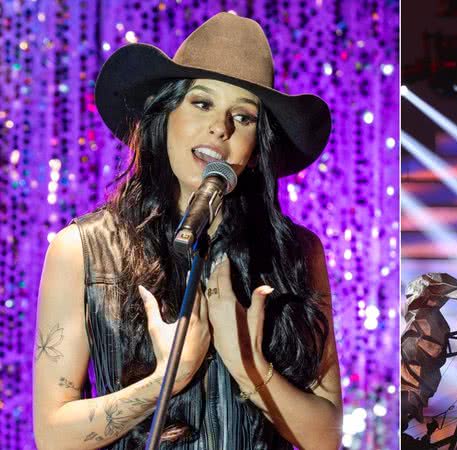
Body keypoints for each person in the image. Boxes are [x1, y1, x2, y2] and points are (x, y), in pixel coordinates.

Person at [33, 13, 342, 449]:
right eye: (201, 103)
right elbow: (52, 435)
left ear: (255, 151)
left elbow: (327, 437)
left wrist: (247, 365)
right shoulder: (82, 249)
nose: (221, 127)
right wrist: (166, 380)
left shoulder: (296, 253)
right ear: (165, 117)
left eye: (244, 116)